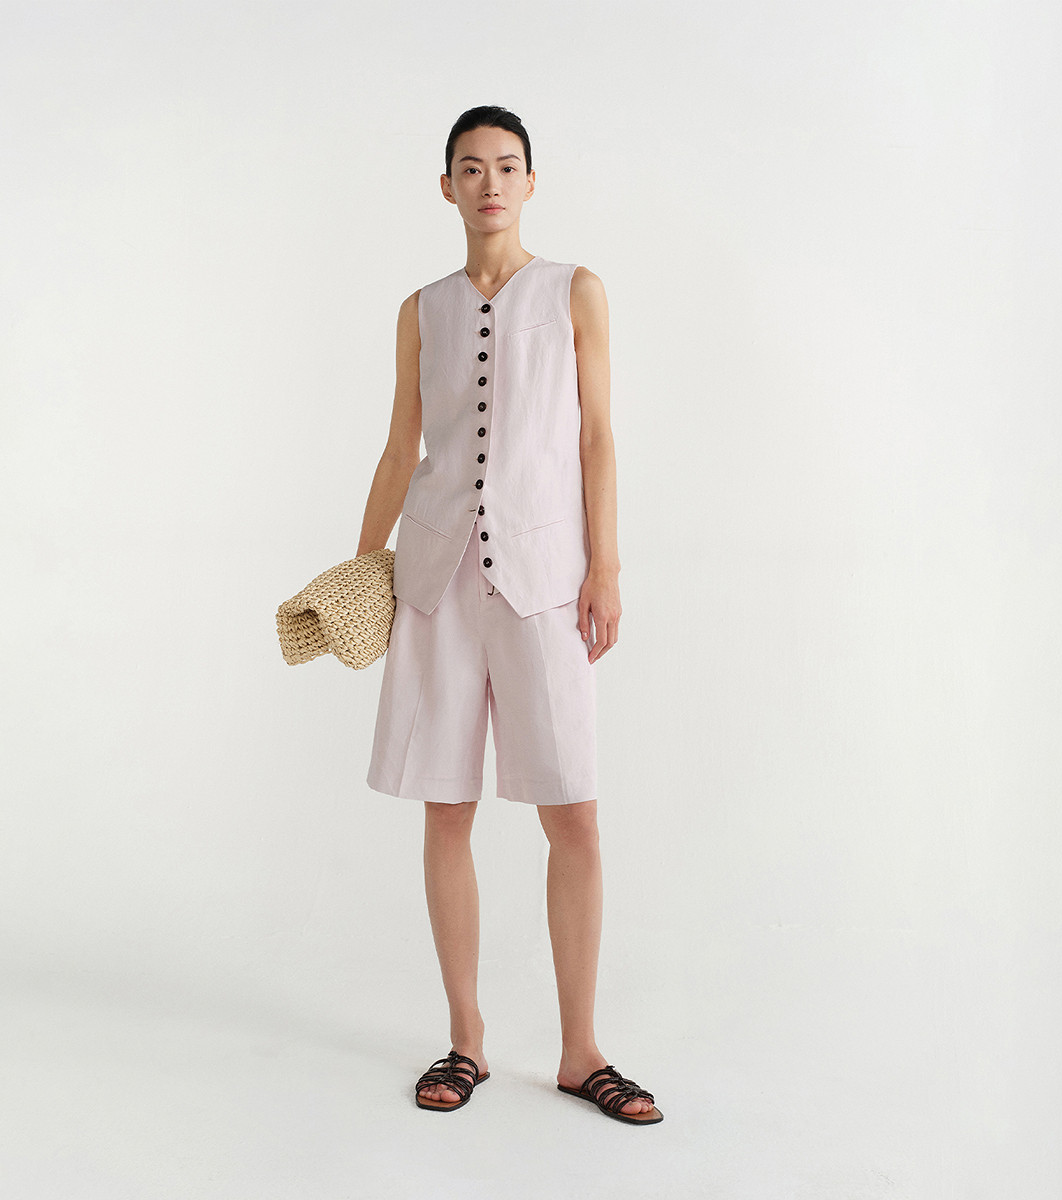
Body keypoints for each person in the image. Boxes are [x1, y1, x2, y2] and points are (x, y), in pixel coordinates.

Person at [355, 106, 660, 1126]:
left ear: (532, 181)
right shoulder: (421, 310)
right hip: (437, 580)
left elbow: (598, 437)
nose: (490, 183)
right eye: (471, 167)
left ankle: (581, 1052)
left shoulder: (575, 290)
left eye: (507, 166)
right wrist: (363, 568)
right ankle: (466, 1040)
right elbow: (400, 447)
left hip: (545, 580)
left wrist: (604, 565)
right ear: (445, 186)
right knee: (447, 807)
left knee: (573, 812)